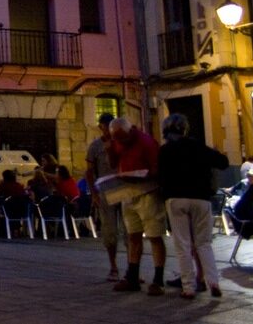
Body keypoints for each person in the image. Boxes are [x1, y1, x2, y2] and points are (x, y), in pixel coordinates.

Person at [157, 113, 228, 299]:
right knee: (204, 243)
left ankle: (188, 287)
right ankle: (213, 282)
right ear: (185, 129)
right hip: (201, 198)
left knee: (183, 244)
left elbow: (160, 176)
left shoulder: (165, 151)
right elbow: (223, 163)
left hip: (176, 198)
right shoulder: (198, 146)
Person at [108, 117, 166, 296]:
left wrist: (139, 176)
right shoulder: (117, 142)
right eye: (117, 139)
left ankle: (158, 280)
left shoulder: (147, 143)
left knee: (154, 236)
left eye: (123, 138)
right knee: (133, 235)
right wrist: (111, 151)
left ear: (131, 130)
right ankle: (132, 276)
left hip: (147, 193)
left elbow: (157, 169)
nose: (121, 142)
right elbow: (113, 164)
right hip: (128, 193)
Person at [85, 113, 124, 282]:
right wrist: (94, 193)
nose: (107, 130)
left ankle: (132, 267)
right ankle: (113, 266)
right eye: (105, 126)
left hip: (125, 190)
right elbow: (89, 171)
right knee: (109, 232)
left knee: (131, 231)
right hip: (106, 193)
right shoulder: (95, 147)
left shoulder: (122, 143)